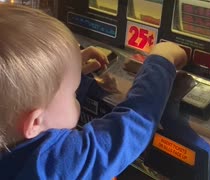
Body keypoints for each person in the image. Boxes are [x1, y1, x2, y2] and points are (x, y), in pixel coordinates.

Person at [0, 4, 187, 179]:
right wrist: (161, 61)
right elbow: (131, 128)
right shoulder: (51, 163)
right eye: (73, 92)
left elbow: (53, 112)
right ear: (35, 122)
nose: (77, 94)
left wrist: (63, 74)